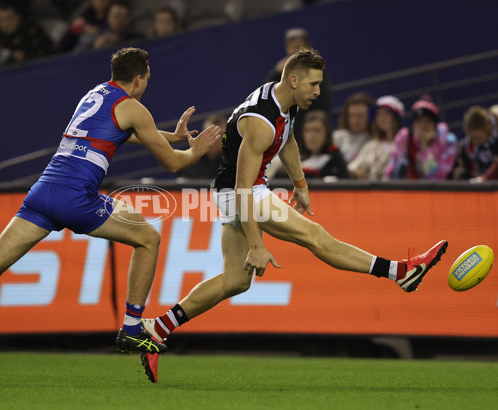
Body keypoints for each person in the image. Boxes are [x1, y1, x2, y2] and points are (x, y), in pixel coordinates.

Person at [0, 47, 222, 380]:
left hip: (43, 192)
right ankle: (131, 327)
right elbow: (172, 163)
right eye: (148, 79)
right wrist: (194, 150)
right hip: (76, 198)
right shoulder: (133, 107)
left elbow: (112, 134)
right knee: (148, 238)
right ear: (138, 79)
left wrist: (170, 136)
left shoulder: (95, 93)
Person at [139, 49, 448, 383]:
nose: (319, 91)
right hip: (241, 192)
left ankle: (157, 328)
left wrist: (300, 184)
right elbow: (244, 186)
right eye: (314, 85)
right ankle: (400, 272)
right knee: (315, 237)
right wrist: (256, 245)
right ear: (294, 79)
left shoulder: (284, 101)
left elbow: (286, 140)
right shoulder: (259, 121)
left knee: (235, 280)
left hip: (236, 191)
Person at [265, 28, 331, 142]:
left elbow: (322, 105)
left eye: (298, 46)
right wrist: (276, 73)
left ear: (308, 48)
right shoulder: (282, 74)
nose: (294, 51)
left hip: (310, 133)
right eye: (291, 47)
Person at [384, 95, 457, 180]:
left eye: (427, 122)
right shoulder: (405, 138)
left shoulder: (448, 141)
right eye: (418, 122)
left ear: (434, 125)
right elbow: (392, 170)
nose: (422, 126)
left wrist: (426, 147)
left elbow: (437, 178)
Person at [348, 95, 404, 180]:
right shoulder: (371, 145)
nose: (382, 118)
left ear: (395, 118)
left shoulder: (404, 144)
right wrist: (358, 172)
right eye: (379, 114)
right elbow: (353, 168)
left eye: (386, 114)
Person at [0, 0, 55, 66]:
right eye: (0, 20)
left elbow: (49, 53)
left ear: (18, 17)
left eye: (9, 18)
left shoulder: (31, 31)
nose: (5, 24)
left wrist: (25, 56)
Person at [450, 105, 498, 181]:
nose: (475, 142)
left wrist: (485, 178)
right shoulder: (467, 147)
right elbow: (465, 172)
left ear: (487, 130)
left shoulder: (495, 143)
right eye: (472, 139)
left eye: (478, 139)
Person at [298, 110, 349, 180]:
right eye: (307, 131)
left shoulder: (335, 161)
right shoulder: (294, 158)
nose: (311, 136)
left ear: (327, 133)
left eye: (317, 130)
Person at [176, 114, 225, 180]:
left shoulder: (234, 163)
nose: (216, 139)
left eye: (221, 135)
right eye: (211, 135)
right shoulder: (190, 162)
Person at [332, 92, 375, 164]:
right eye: (352, 115)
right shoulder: (337, 137)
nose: (356, 120)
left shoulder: (376, 141)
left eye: (361, 115)